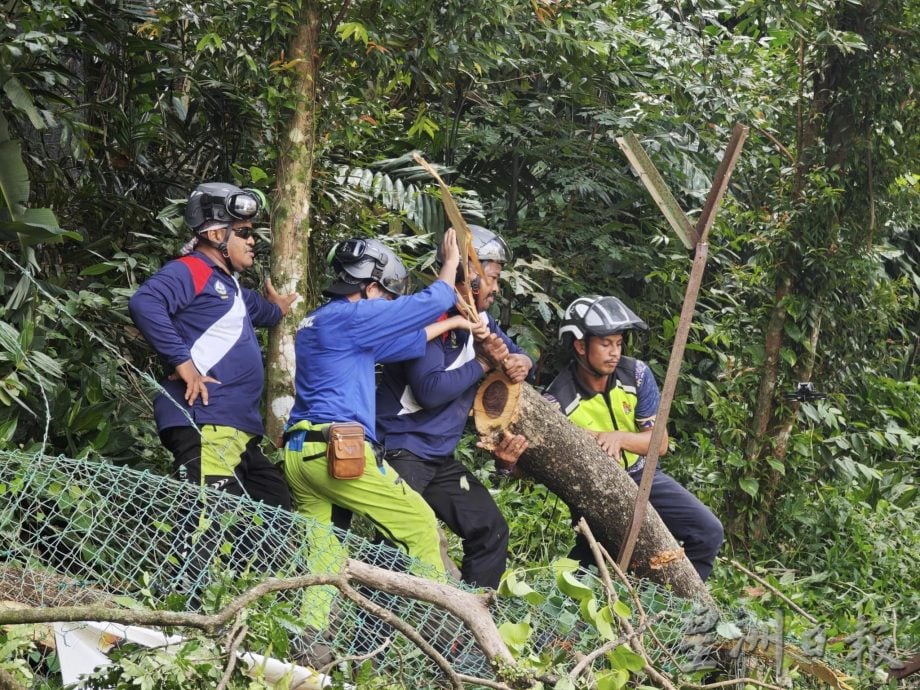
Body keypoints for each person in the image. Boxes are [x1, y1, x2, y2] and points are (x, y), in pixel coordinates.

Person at [282, 229, 476, 595]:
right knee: (419, 523)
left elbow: (402, 344)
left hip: (299, 452)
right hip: (336, 450)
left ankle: (313, 641)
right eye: (386, 296)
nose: (387, 303)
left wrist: (451, 323)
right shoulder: (354, 318)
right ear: (370, 288)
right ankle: (441, 627)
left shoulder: (320, 321)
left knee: (322, 555)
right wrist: (450, 265)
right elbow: (429, 303)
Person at [375, 225, 531, 589]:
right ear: (470, 277)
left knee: (490, 530)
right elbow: (429, 390)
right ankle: (371, 632)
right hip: (402, 448)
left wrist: (522, 361)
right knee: (395, 549)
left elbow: (512, 355)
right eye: (491, 278)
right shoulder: (431, 319)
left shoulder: (481, 321)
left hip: (436, 457)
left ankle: (473, 627)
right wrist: (482, 363)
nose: (495, 288)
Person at [129, 182, 295, 510]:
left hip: (238, 428)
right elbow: (144, 303)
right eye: (244, 232)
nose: (252, 241)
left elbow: (264, 311)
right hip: (207, 417)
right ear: (218, 235)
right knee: (205, 525)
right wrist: (185, 366)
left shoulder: (229, 288)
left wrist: (278, 309)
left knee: (276, 515)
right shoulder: (191, 269)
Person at [545, 295, 723, 581]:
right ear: (579, 345)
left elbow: (659, 443)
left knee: (708, 531)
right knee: (593, 567)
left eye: (618, 343)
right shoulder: (556, 400)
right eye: (605, 344)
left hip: (644, 477)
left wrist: (618, 438)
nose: (614, 352)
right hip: (596, 493)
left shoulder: (636, 374)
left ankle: (684, 611)